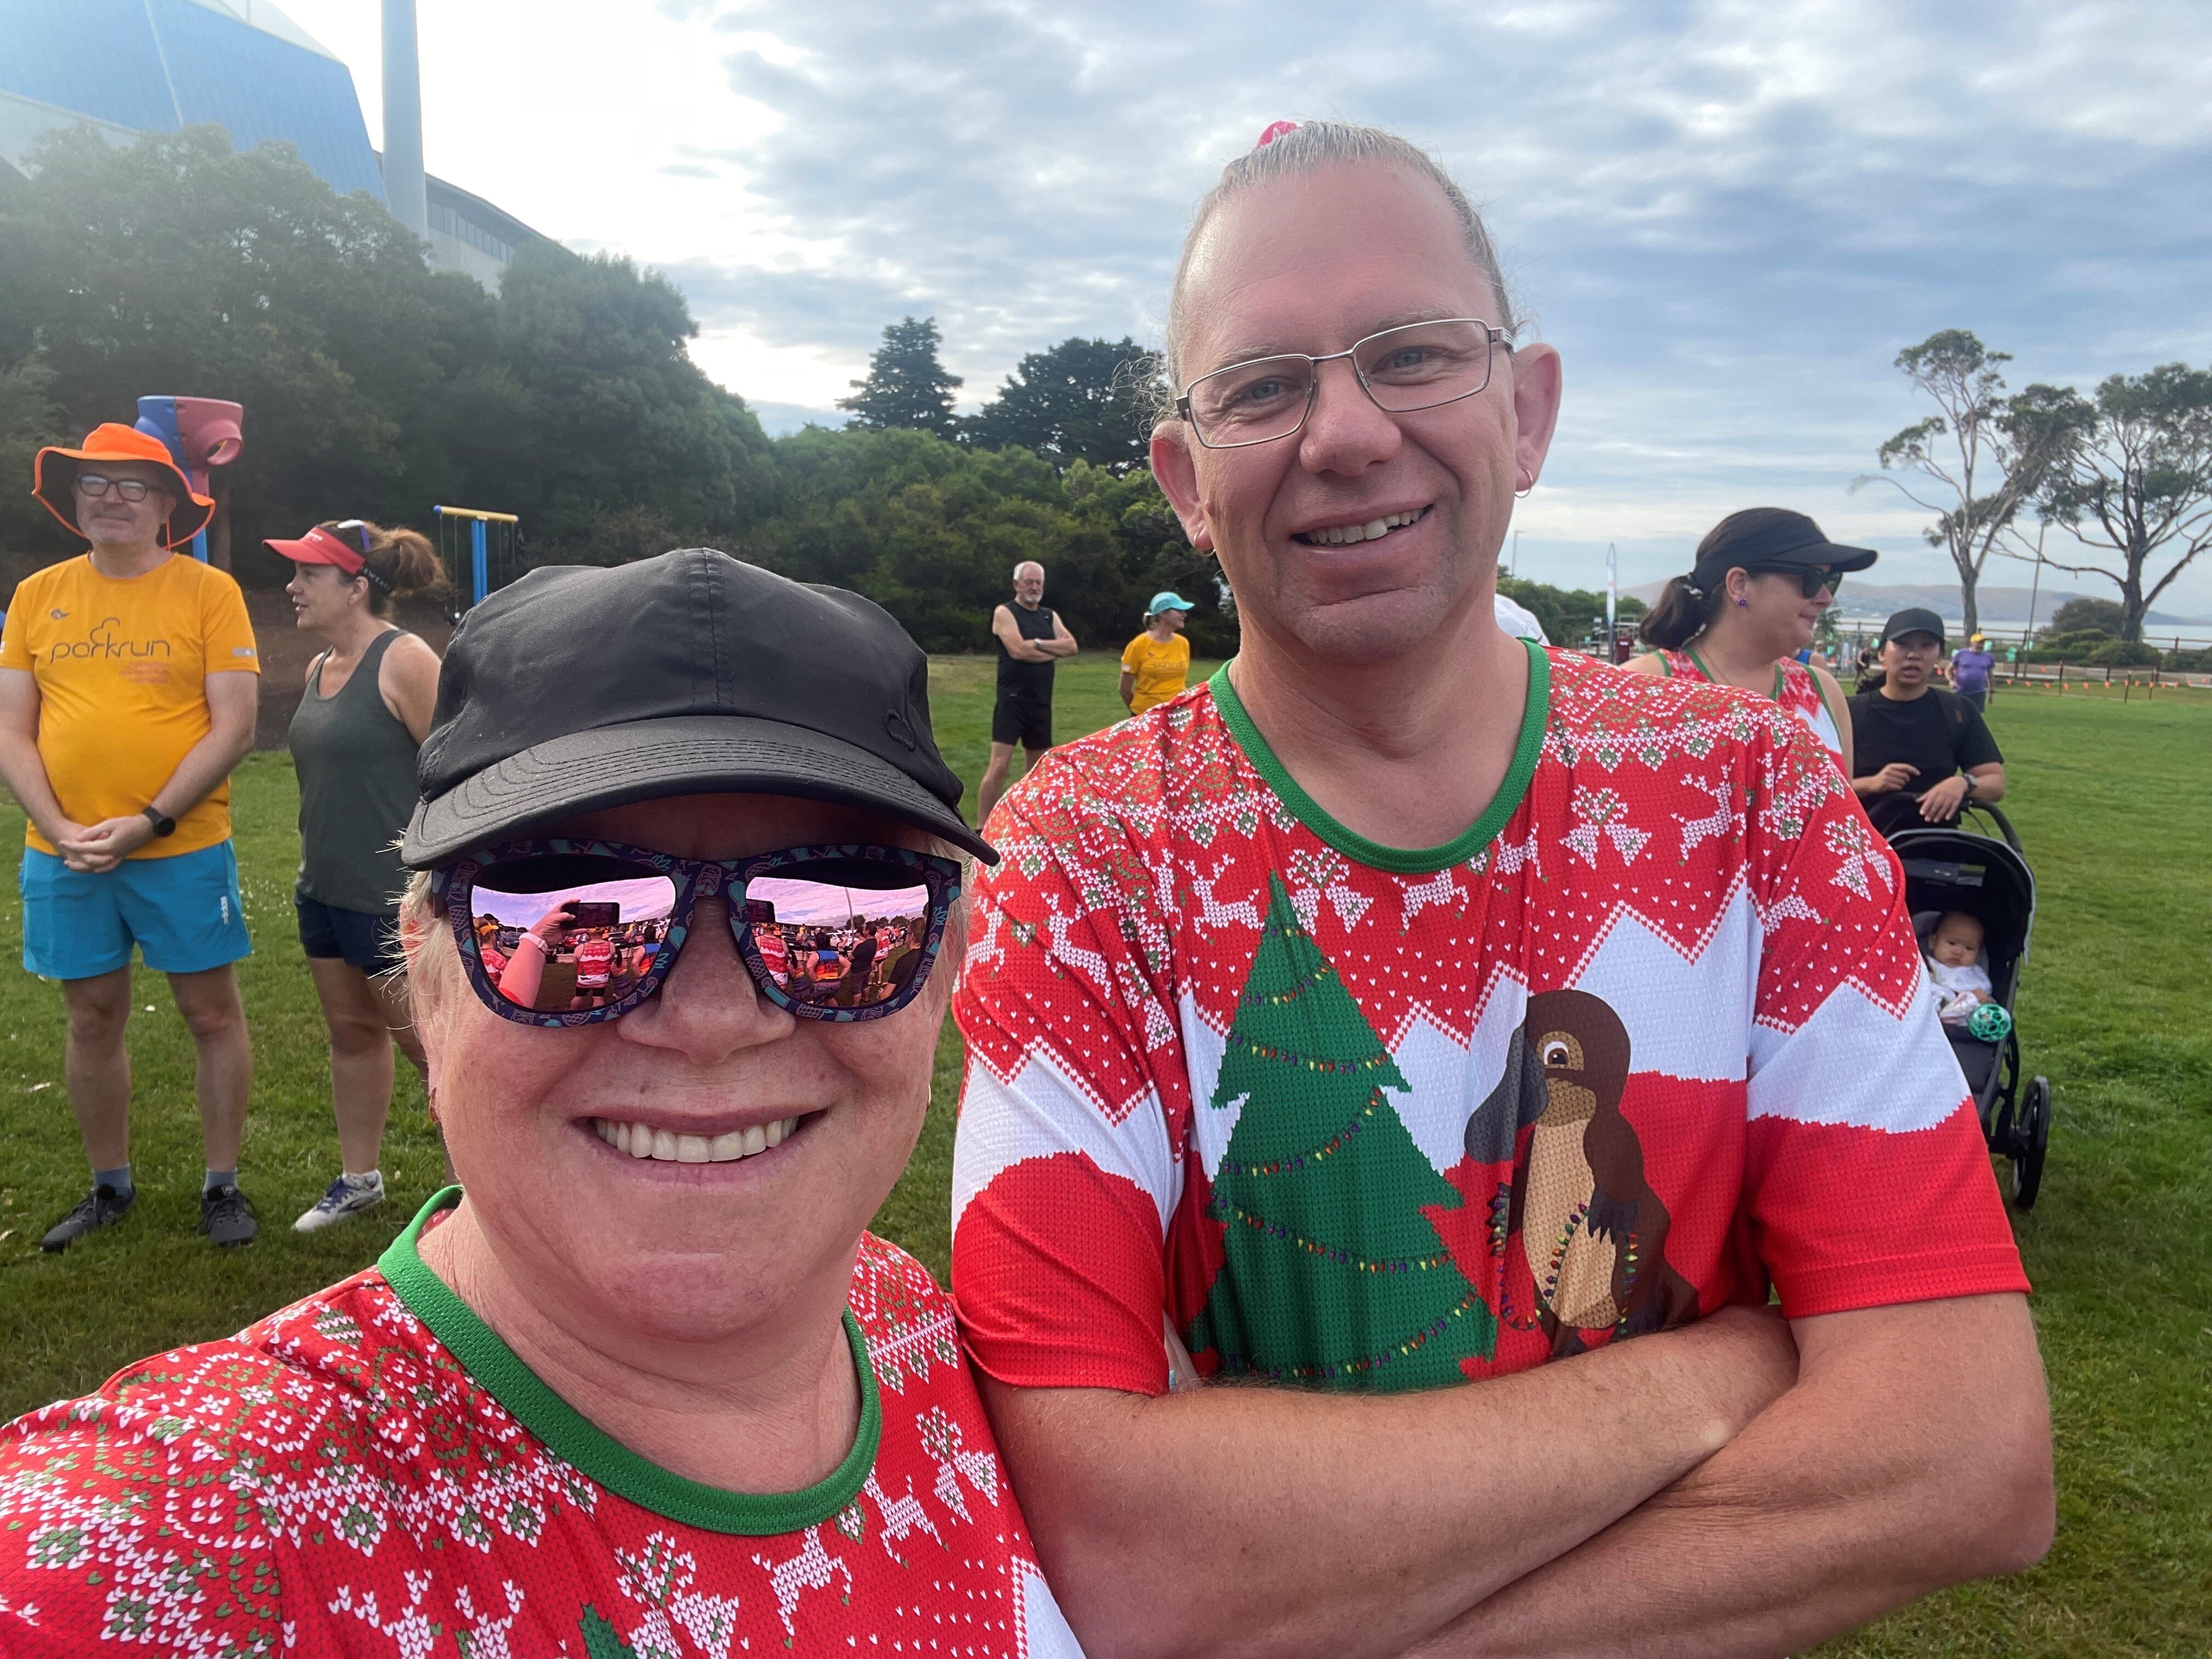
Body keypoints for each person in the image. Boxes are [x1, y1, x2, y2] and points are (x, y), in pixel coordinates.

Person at [950, 120, 2050, 1658]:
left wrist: (1301, 1594)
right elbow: (1113, 1551)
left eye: (1412, 356)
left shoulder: (1750, 796)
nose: (1346, 433)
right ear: (1188, 479)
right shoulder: (1086, 856)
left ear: (1526, 412)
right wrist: (1726, 1369)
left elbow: (1960, 1455)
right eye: (1262, 387)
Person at [0, 548, 1083, 1658]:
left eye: (843, 917)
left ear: (947, 962)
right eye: (570, 913)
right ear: (427, 978)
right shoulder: (177, 1546)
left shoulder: (917, 1322)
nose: (712, 1020)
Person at [1, 424, 262, 1251]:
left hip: (181, 848)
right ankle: (109, 1186)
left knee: (210, 1014)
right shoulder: (37, 594)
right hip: (66, 853)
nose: (111, 499)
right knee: (91, 1017)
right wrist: (59, 828)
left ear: (166, 506)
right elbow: (11, 731)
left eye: (132, 486)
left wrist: (149, 820)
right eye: (95, 484)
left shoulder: (208, 592)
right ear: (73, 499)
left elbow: (235, 727)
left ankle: (222, 1185)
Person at [273, 518, 446, 1231]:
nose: (292, 586)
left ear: (355, 587)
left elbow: (458, 771)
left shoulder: (404, 660)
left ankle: (477, 1197)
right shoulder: (319, 667)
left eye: (308, 574)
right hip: (323, 890)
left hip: (390, 899)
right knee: (350, 1033)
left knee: (434, 1052)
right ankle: (359, 1180)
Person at [1625, 507, 1871, 775]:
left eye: (1831, 581)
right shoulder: (1645, 686)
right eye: (1811, 579)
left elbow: (1843, 802)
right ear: (1740, 585)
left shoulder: (1823, 692)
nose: (1826, 598)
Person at [1850, 607, 2007, 838]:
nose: (1914, 655)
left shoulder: (1957, 711)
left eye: (1926, 646)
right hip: (1860, 843)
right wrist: (1871, 784)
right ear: (1882, 653)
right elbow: (1816, 786)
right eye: (1902, 644)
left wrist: (1962, 784)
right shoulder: (1850, 711)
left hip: (1933, 847)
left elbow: (1995, 782)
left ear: (1939, 656)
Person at [977, 560, 1077, 825]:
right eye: (1029, 582)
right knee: (1000, 766)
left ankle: (1029, 823)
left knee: (1038, 770)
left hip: (1041, 701)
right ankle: (981, 828)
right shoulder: (1005, 612)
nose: (1034, 587)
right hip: (1012, 701)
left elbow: (1072, 647)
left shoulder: (1049, 616)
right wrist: (1051, 650)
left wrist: (1038, 644)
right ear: (1016, 585)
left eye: (1038, 582)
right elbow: (1018, 651)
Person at [1121, 590, 1197, 714]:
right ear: (1163, 614)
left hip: (1178, 713)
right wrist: (1139, 715)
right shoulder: (1138, 645)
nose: (1184, 615)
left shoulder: (1183, 643)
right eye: (1179, 611)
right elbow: (1124, 689)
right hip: (1147, 714)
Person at [1922, 910, 1994, 1026]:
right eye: (1952, 943)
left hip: (1961, 1025)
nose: (1959, 952)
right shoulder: (1923, 965)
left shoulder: (1975, 976)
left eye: (1969, 948)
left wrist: (1981, 998)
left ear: (1978, 955)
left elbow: (1987, 1003)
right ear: (1933, 942)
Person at [1951, 630, 1996, 711]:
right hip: (1961, 691)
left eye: (1983, 643)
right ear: (1973, 643)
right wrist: (1951, 681)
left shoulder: (1988, 657)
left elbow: (1990, 676)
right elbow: (1948, 669)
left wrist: (1991, 693)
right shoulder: (1962, 654)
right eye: (1979, 643)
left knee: (1976, 715)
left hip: (1978, 693)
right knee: (1959, 714)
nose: (1981, 645)